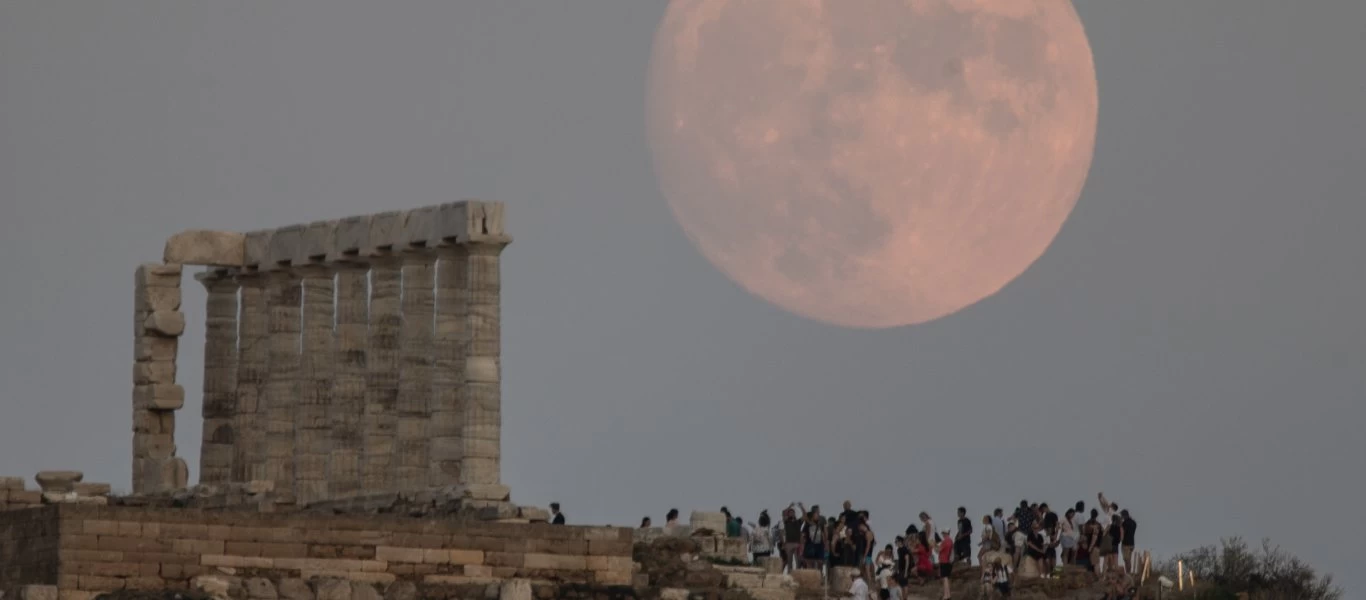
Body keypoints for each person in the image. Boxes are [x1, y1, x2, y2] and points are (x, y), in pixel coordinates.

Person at [938, 529, 956, 600]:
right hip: (949, 562)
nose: (942, 535)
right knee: (946, 578)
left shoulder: (945, 541)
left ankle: (946, 595)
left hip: (944, 561)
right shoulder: (951, 541)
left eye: (943, 533)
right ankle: (948, 595)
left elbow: (938, 550)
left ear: (945, 533)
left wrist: (933, 545)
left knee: (945, 579)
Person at [1120, 510, 1137, 574]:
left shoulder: (1124, 523)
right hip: (1132, 543)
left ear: (1124, 515)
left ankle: (1128, 573)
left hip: (1125, 543)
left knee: (1126, 560)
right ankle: (1128, 572)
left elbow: (1123, 533)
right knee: (1129, 559)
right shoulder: (1134, 523)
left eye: (1121, 515)